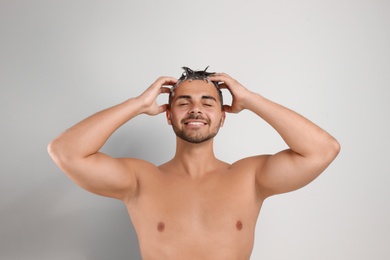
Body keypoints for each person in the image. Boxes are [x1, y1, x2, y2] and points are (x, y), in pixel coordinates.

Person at [48, 67, 340, 259]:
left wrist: (251, 99)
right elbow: (65, 151)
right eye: (184, 102)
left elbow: (324, 149)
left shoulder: (250, 178)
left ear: (223, 115)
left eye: (208, 102)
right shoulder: (139, 180)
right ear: (168, 114)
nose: (196, 109)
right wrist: (136, 104)